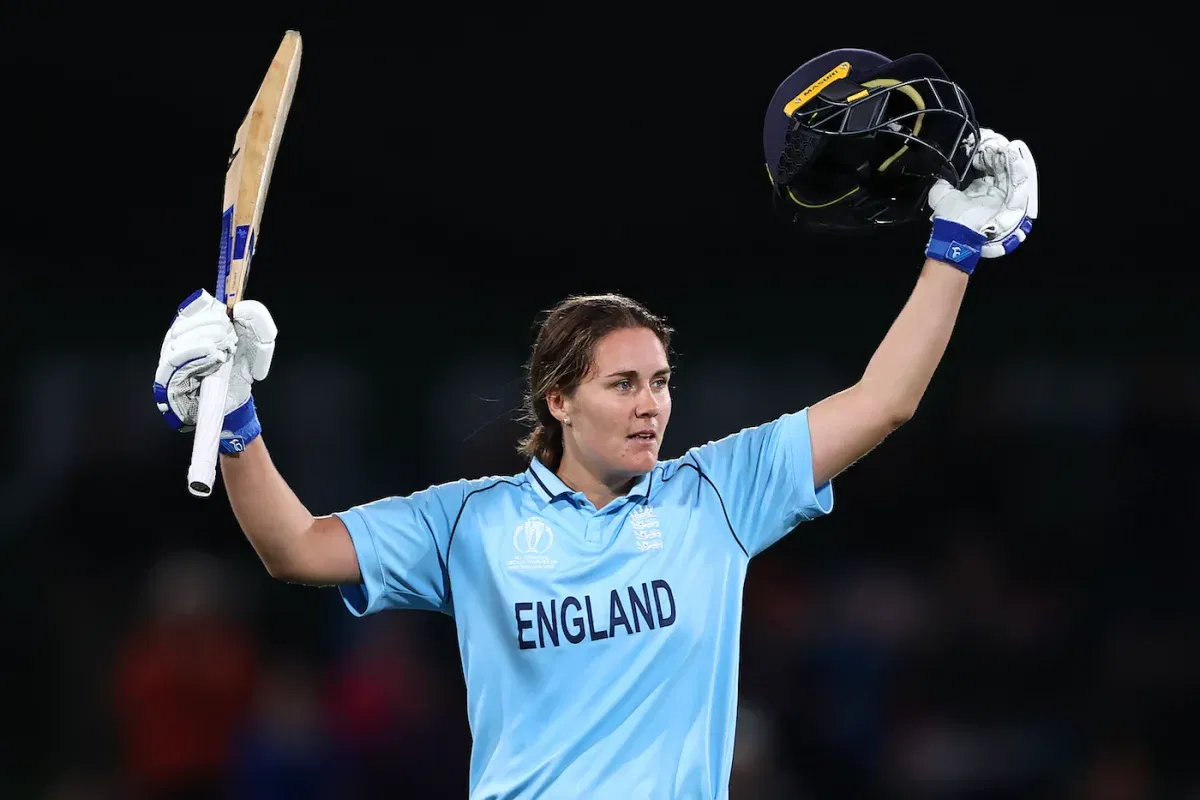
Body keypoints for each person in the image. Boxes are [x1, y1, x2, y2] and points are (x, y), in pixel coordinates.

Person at [153, 48, 1039, 800]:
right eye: (623, 383)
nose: (652, 402)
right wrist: (234, 420)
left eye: (660, 381)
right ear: (559, 400)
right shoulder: (473, 523)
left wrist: (955, 243)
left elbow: (884, 399)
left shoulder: (717, 496)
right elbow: (296, 547)